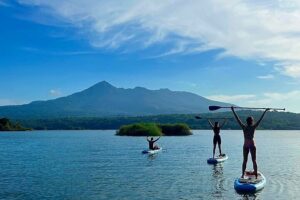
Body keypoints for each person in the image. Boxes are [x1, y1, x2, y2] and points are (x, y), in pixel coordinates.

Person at [231, 106, 270, 178]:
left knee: (244, 161)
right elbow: (260, 119)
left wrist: (233, 110)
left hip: (246, 145)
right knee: (254, 160)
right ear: (252, 121)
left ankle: (243, 175)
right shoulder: (253, 127)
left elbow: (237, 119)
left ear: (247, 121)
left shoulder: (244, 127)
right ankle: (255, 176)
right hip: (252, 145)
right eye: (253, 120)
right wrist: (265, 111)